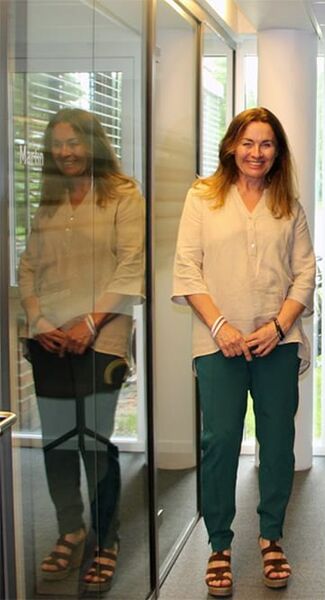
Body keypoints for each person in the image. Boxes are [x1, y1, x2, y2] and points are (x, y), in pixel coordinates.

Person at [172, 107, 316, 596]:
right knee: (220, 444)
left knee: (277, 445)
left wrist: (279, 326)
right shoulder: (203, 197)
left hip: (277, 341)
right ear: (232, 145)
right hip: (219, 345)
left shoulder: (288, 205)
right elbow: (187, 269)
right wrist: (220, 327)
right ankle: (219, 544)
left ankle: (271, 536)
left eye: (267, 144)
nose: (257, 153)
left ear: (278, 152)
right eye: (249, 143)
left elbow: (305, 273)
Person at [19, 108, 145, 593]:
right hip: (48, 338)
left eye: (75, 142)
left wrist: (90, 320)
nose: (66, 152)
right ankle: (70, 529)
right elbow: (29, 267)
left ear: (93, 143)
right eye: (58, 144)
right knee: (56, 442)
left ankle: (105, 538)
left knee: (93, 441)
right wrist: (42, 321)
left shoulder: (122, 195)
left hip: (103, 337)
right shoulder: (48, 201)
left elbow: (131, 265)